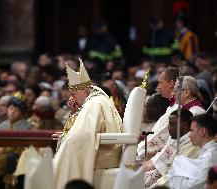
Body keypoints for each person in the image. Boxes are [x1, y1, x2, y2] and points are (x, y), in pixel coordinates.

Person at [53, 59, 122, 189]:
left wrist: (67, 137)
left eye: (73, 94)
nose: (71, 99)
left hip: (105, 154)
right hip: (105, 149)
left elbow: (80, 136)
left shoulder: (95, 103)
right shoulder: (94, 101)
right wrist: (73, 115)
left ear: (85, 91)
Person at [143, 109, 199, 188]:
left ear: (184, 125)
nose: (169, 128)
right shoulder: (175, 136)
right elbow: (162, 156)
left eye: (172, 124)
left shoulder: (191, 145)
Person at [137, 67, 179, 159]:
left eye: (160, 83)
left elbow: (162, 139)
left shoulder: (178, 109)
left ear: (171, 83)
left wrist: (137, 153)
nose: (158, 86)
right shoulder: (172, 106)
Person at [169, 113, 217, 188]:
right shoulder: (209, 151)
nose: (189, 135)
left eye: (192, 131)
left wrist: (175, 176)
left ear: (202, 132)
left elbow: (191, 187)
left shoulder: (210, 156)